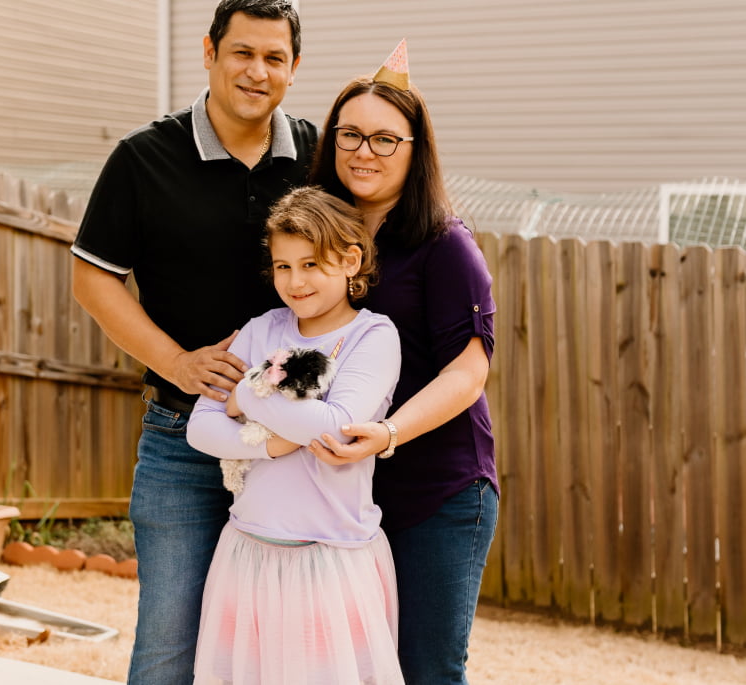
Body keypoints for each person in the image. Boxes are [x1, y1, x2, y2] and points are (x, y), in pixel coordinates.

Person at [70, 1, 317, 682]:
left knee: (284, 647)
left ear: (294, 69)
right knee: (168, 648)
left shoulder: (318, 157)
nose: (256, 71)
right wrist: (176, 362)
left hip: (294, 445)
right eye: (242, 52)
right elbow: (92, 280)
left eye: (273, 58)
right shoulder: (143, 158)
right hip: (181, 441)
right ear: (208, 52)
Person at [306, 41, 500, 685]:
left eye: (387, 139)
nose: (365, 151)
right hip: (347, 495)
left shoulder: (445, 243)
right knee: (351, 666)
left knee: (426, 668)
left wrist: (388, 434)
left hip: (438, 490)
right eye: (352, 134)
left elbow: (468, 372)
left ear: (415, 151)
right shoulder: (318, 243)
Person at [186, 186, 404, 684]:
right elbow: (200, 428)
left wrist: (246, 395)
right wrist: (268, 445)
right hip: (248, 550)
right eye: (283, 266)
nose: (295, 281)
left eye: (310, 264)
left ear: (351, 260)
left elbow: (336, 429)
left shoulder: (373, 337)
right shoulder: (263, 328)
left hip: (328, 556)